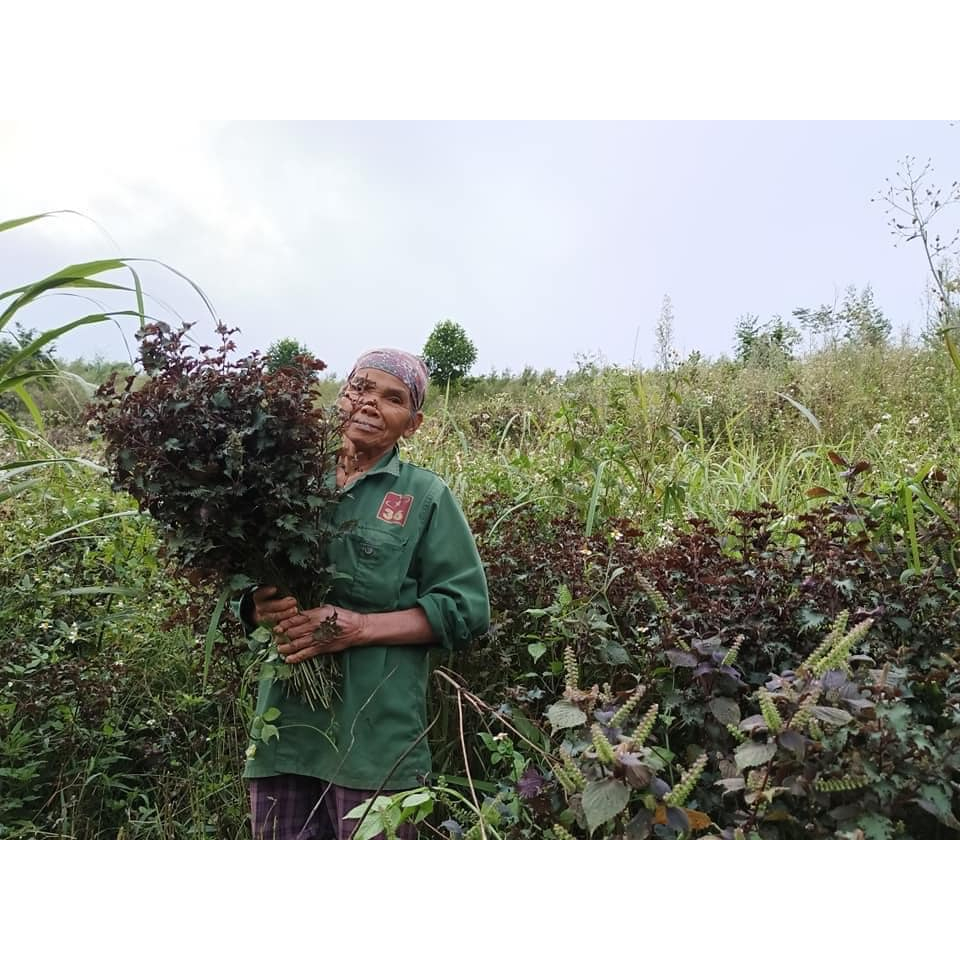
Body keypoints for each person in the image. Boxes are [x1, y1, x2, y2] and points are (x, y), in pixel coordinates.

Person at [240, 348, 490, 839]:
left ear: (412, 424)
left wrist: (359, 629)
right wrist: (255, 605)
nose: (370, 403)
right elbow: (240, 583)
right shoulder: (286, 481)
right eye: (361, 387)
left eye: (392, 398)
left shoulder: (424, 496)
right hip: (283, 731)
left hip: (376, 739)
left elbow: (467, 610)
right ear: (341, 395)